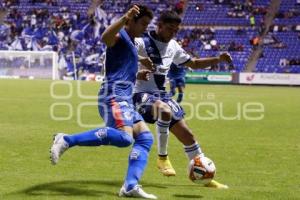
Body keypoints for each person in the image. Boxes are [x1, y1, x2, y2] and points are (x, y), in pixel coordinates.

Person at [50, 5, 158, 199]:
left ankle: (130, 186)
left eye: (147, 24)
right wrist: (124, 17)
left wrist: (138, 72)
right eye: (143, 23)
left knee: (145, 138)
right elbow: (105, 37)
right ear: (131, 21)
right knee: (125, 138)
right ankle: (66, 140)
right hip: (114, 95)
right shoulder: (122, 35)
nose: (145, 28)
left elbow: (120, 68)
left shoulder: (131, 43)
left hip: (124, 96)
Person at [133, 11, 232, 188]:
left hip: (161, 94)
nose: (173, 33)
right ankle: (162, 158)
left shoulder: (173, 46)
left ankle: (205, 177)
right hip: (140, 94)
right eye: (170, 29)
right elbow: (120, 62)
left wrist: (217, 59)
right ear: (159, 26)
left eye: (176, 30)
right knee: (164, 110)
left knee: (188, 135)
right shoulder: (140, 42)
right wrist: (137, 69)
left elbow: (193, 63)